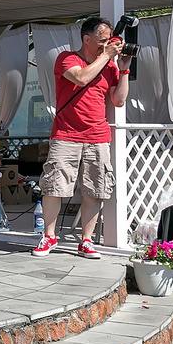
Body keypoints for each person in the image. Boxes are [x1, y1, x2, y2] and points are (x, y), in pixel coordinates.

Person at [32, 16, 130, 259]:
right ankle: (49, 235)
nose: (107, 45)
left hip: (97, 135)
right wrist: (107, 56)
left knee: (95, 189)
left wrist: (124, 69)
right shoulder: (67, 59)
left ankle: (86, 240)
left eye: (109, 41)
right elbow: (81, 77)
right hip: (66, 134)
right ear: (87, 39)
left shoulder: (109, 66)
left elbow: (118, 100)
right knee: (54, 186)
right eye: (102, 40)